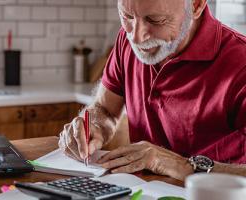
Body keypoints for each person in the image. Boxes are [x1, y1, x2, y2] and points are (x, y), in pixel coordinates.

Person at [59, 0, 246, 181]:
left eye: (156, 20)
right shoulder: (127, 39)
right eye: (127, 16)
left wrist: (177, 165)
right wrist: (94, 126)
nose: (137, 37)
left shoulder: (241, 63)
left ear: (196, 5)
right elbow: (105, 109)